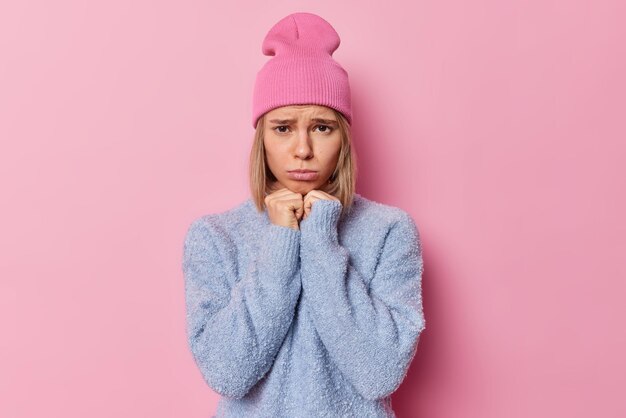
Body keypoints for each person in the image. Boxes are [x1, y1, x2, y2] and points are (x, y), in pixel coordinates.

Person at [182, 12, 426, 418]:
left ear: (343, 137)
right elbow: (227, 374)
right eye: (282, 128)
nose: (302, 149)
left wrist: (320, 240)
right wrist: (281, 243)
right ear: (261, 138)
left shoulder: (390, 232)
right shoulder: (214, 237)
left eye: (322, 127)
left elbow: (379, 373)